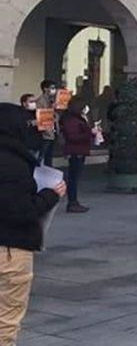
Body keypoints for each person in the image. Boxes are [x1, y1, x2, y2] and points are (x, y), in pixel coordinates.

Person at [0, 103, 66, 345]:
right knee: (6, 321)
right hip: (9, 249)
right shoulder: (13, 164)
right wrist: (51, 195)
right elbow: (20, 210)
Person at [59, 99, 96, 213]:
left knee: (74, 177)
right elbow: (73, 137)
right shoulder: (72, 120)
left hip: (79, 150)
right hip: (76, 151)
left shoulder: (77, 119)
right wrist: (90, 133)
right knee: (73, 178)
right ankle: (72, 202)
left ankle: (74, 201)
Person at [34, 80, 58, 168]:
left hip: (53, 130)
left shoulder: (52, 100)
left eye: (54, 88)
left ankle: (48, 171)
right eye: (51, 88)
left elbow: (55, 115)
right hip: (45, 132)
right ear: (45, 89)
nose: (54, 90)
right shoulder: (40, 101)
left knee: (49, 155)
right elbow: (42, 116)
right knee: (42, 154)